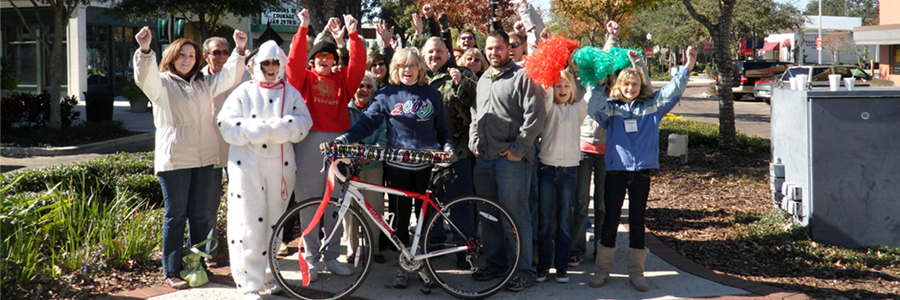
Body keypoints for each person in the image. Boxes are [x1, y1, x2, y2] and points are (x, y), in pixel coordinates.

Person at [133, 27, 247, 289]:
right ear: (172, 57)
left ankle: (197, 265)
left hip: (205, 158)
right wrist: (145, 51)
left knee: (200, 216)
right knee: (176, 215)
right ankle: (171, 270)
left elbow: (229, 76)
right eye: (182, 55)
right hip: (175, 160)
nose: (187, 60)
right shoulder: (161, 83)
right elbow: (144, 77)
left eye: (192, 56)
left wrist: (239, 50)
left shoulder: (204, 84)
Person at [328, 47, 452, 289]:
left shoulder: (432, 95)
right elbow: (367, 123)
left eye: (413, 65)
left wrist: (447, 146)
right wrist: (346, 138)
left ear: (420, 68)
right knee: (401, 219)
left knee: (425, 220)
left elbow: (443, 130)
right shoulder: (385, 94)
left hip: (427, 167)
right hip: (398, 168)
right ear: (395, 69)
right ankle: (403, 265)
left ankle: (424, 264)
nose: (408, 70)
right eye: (402, 65)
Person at [587, 46, 697, 292]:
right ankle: (602, 270)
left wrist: (687, 66)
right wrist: (597, 83)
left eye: (634, 84)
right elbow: (593, 108)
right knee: (610, 220)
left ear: (641, 85)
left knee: (637, 222)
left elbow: (672, 90)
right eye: (626, 85)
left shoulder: (652, 106)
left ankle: (637, 272)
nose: (630, 89)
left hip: (641, 173)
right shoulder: (611, 107)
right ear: (619, 86)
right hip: (615, 172)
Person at [217, 40, 313, 300]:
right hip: (246, 165)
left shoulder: (291, 93)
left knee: (275, 222)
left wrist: (288, 127)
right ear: (256, 65)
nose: (271, 67)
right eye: (266, 62)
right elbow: (224, 123)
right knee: (248, 223)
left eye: (275, 62)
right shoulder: (243, 92)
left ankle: (271, 275)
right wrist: (248, 129)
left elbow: (306, 121)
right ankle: (249, 282)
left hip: (280, 169)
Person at [286, 9, 366, 281]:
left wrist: (353, 35)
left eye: (329, 56)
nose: (324, 60)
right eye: (319, 56)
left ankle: (331, 257)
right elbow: (293, 64)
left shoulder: (343, 80)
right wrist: (302, 29)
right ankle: (310, 259)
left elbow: (358, 65)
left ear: (334, 61)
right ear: (313, 60)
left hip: (338, 144)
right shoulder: (304, 80)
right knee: (309, 203)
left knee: (335, 204)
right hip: (309, 144)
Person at [469, 30, 545, 292]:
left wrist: (518, 149)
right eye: (489, 49)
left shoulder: (523, 76)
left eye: (499, 48)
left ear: (508, 49)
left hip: (511, 161)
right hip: (485, 160)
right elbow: (475, 113)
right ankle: (496, 263)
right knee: (488, 215)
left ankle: (522, 270)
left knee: (516, 216)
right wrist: (474, 142)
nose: (494, 53)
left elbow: (535, 114)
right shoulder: (483, 80)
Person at [419, 37, 478, 264]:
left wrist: (461, 81)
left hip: (458, 152)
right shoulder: (417, 76)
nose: (435, 55)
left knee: (461, 203)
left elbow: (477, 97)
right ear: (424, 55)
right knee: (431, 202)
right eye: (430, 52)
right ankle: (432, 246)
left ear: (447, 53)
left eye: (439, 51)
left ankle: (464, 250)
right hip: (427, 154)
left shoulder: (462, 72)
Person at [570, 20, 622, 268]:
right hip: (582, 151)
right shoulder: (582, 86)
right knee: (580, 204)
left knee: (602, 205)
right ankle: (577, 248)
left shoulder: (615, 89)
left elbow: (607, 56)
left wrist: (611, 36)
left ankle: (601, 249)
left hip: (607, 154)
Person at [200, 36, 252, 267]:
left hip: (237, 149)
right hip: (208, 150)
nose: (221, 57)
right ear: (206, 56)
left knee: (243, 202)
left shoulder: (242, 76)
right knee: (208, 205)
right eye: (216, 53)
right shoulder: (197, 79)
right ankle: (208, 254)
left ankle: (242, 251)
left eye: (224, 52)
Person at [344, 71, 388, 264]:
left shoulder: (378, 111)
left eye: (369, 87)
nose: (364, 90)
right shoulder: (345, 109)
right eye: (361, 85)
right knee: (350, 210)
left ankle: (373, 248)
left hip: (373, 166)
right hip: (348, 168)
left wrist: (368, 155)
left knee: (374, 208)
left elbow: (384, 139)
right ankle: (352, 249)